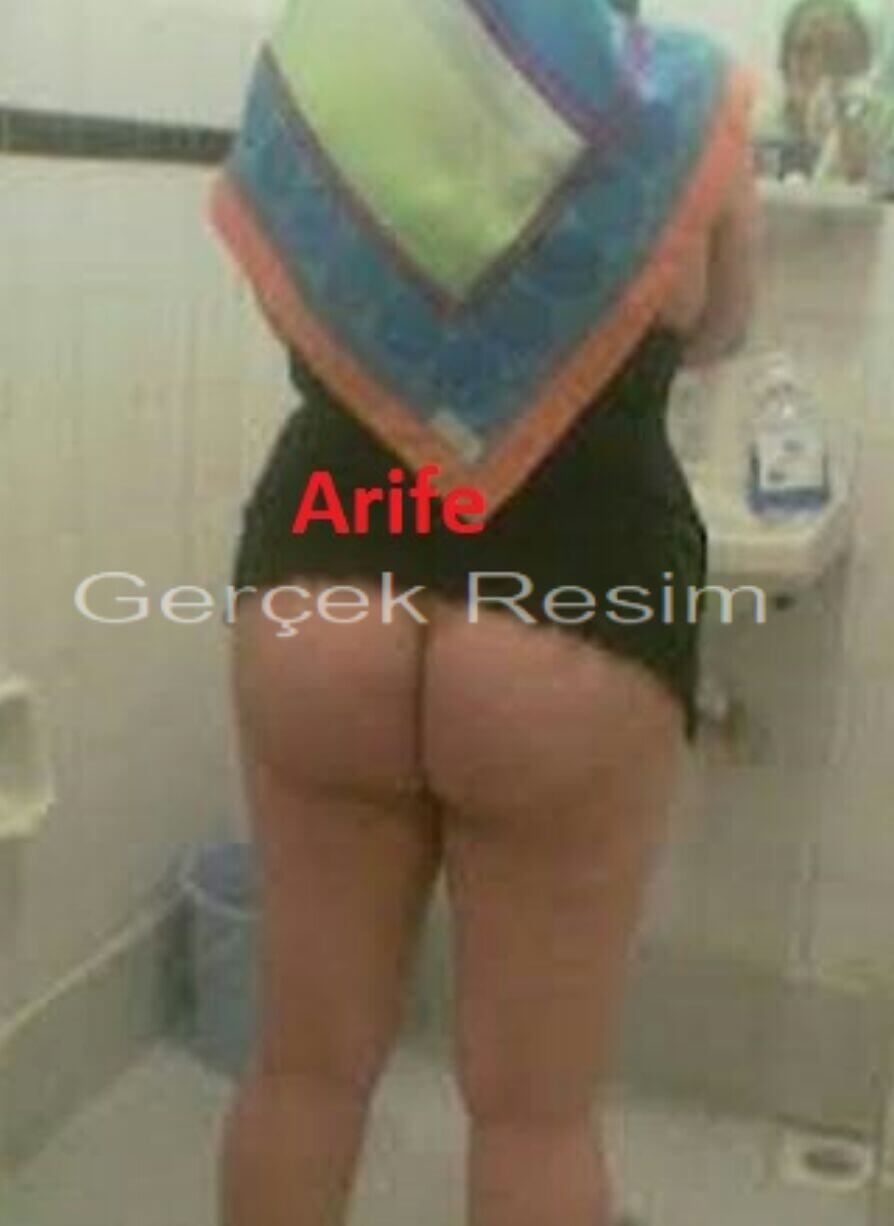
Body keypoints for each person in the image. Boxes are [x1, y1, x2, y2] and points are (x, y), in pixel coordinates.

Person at [209, 2, 758, 1223]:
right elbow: (721, 325)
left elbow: (293, 310)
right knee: (534, 1113)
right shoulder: (684, 93)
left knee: (303, 1069)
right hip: (585, 583)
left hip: (324, 570)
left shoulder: (315, 65)